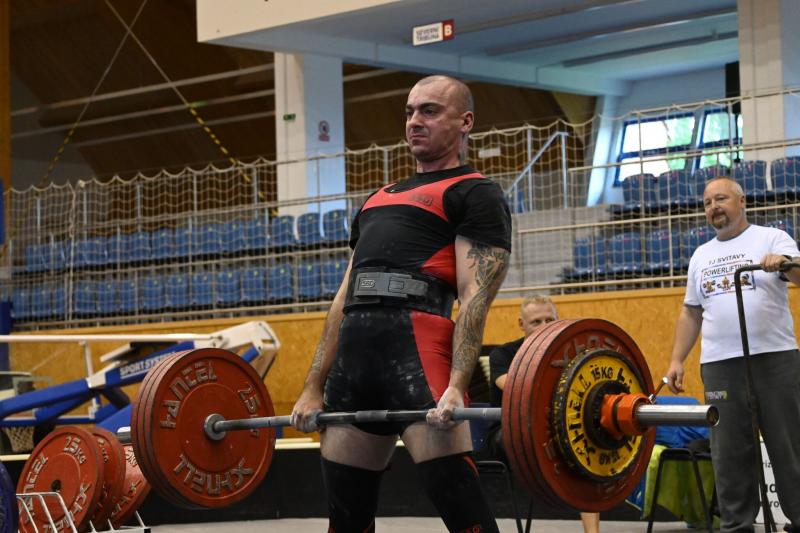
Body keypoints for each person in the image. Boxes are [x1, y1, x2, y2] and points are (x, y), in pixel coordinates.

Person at [291, 75, 512, 533]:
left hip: (419, 362)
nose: (414, 121)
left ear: (465, 121)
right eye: (410, 111)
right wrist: (314, 385)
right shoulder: (377, 199)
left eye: (429, 110)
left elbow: (474, 298)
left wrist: (457, 385)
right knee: (345, 523)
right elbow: (343, 296)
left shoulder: (476, 193)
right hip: (354, 369)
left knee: (465, 514)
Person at [666, 176, 800, 533]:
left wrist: (785, 263)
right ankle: (737, 526)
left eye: (721, 199)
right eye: (707, 203)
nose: (713, 207)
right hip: (719, 365)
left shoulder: (771, 238)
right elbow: (691, 311)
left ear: (742, 201)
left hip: (774, 359)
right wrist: (677, 359)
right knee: (729, 453)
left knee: (789, 444)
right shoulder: (701, 255)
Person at [489, 294, 601, 533]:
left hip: (557, 429)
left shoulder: (570, 355)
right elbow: (514, 386)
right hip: (509, 431)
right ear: (521, 324)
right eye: (536, 322)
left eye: (549, 320)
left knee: (587, 450)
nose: (544, 327)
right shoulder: (503, 354)